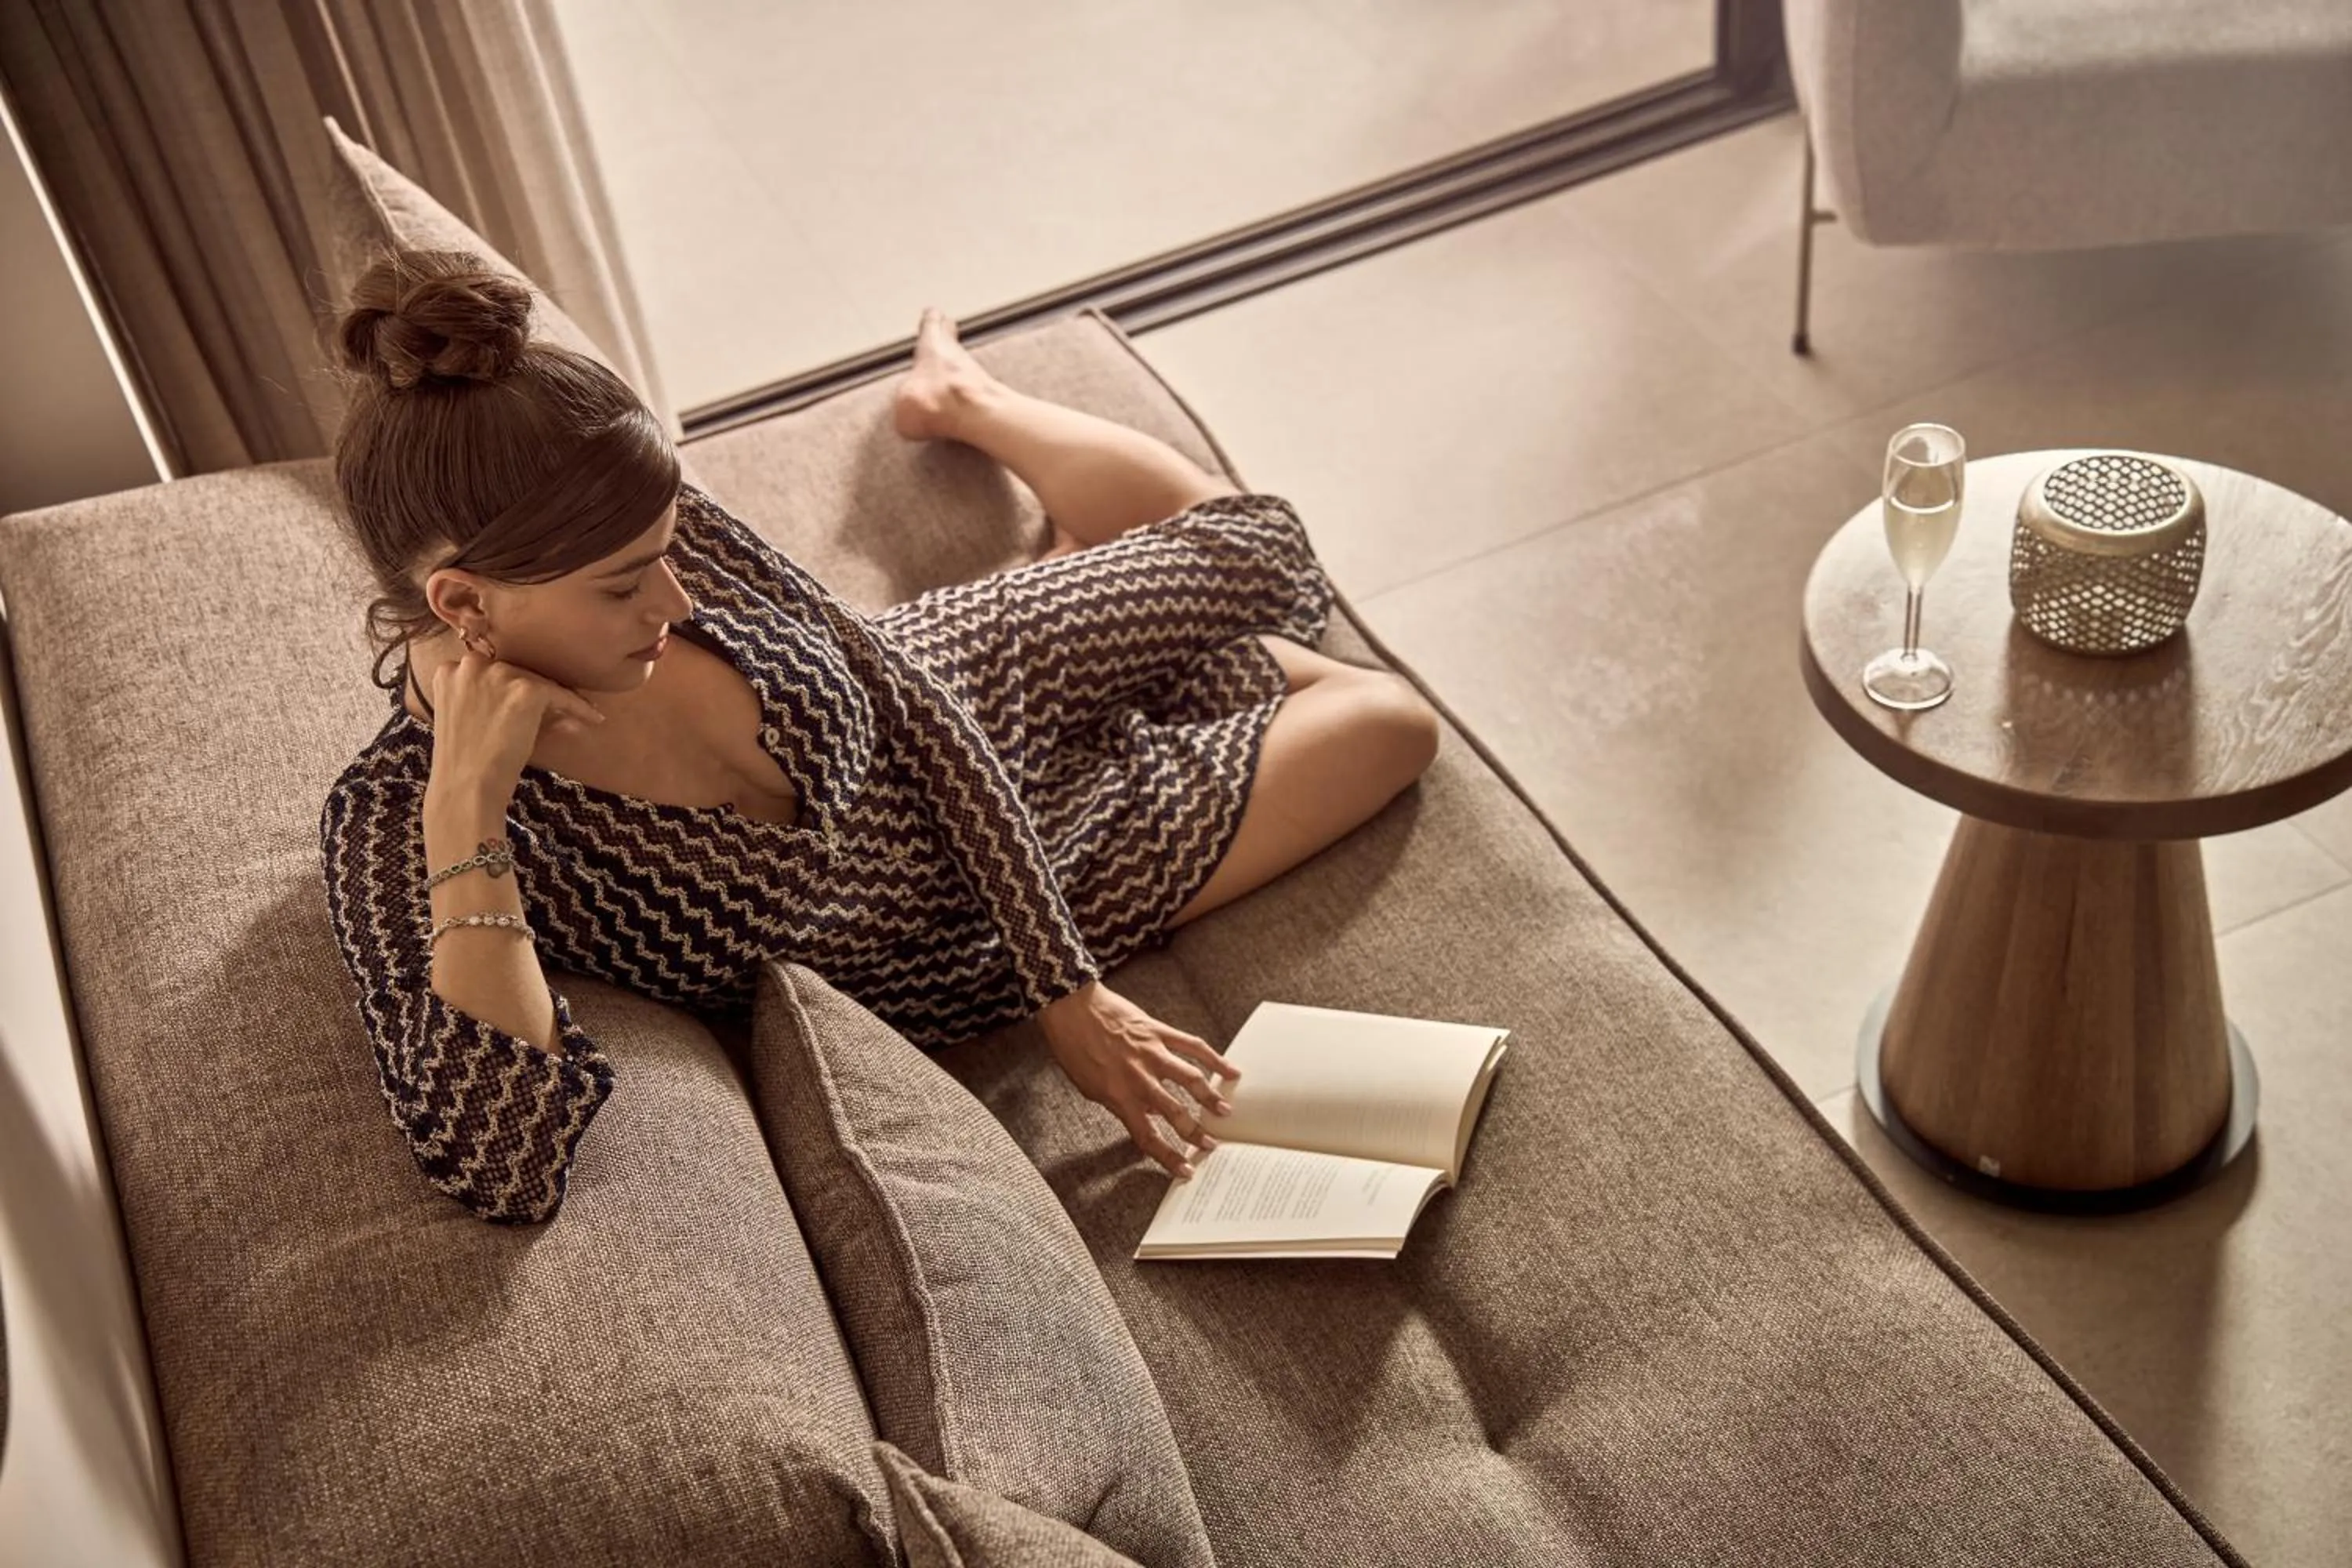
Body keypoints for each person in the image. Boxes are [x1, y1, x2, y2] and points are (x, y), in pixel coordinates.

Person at [318, 246, 1440, 1224]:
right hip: (966, 930)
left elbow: (898, 694)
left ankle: (961, 403)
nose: (676, 600)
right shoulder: (391, 824)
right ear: (465, 606)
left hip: (945, 689)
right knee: (1387, 721)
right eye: (623, 589)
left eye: (667, 551)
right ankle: (1102, 617)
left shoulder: (644, 535)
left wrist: (1073, 992)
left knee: (1261, 550)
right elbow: (501, 1157)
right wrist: (467, 810)